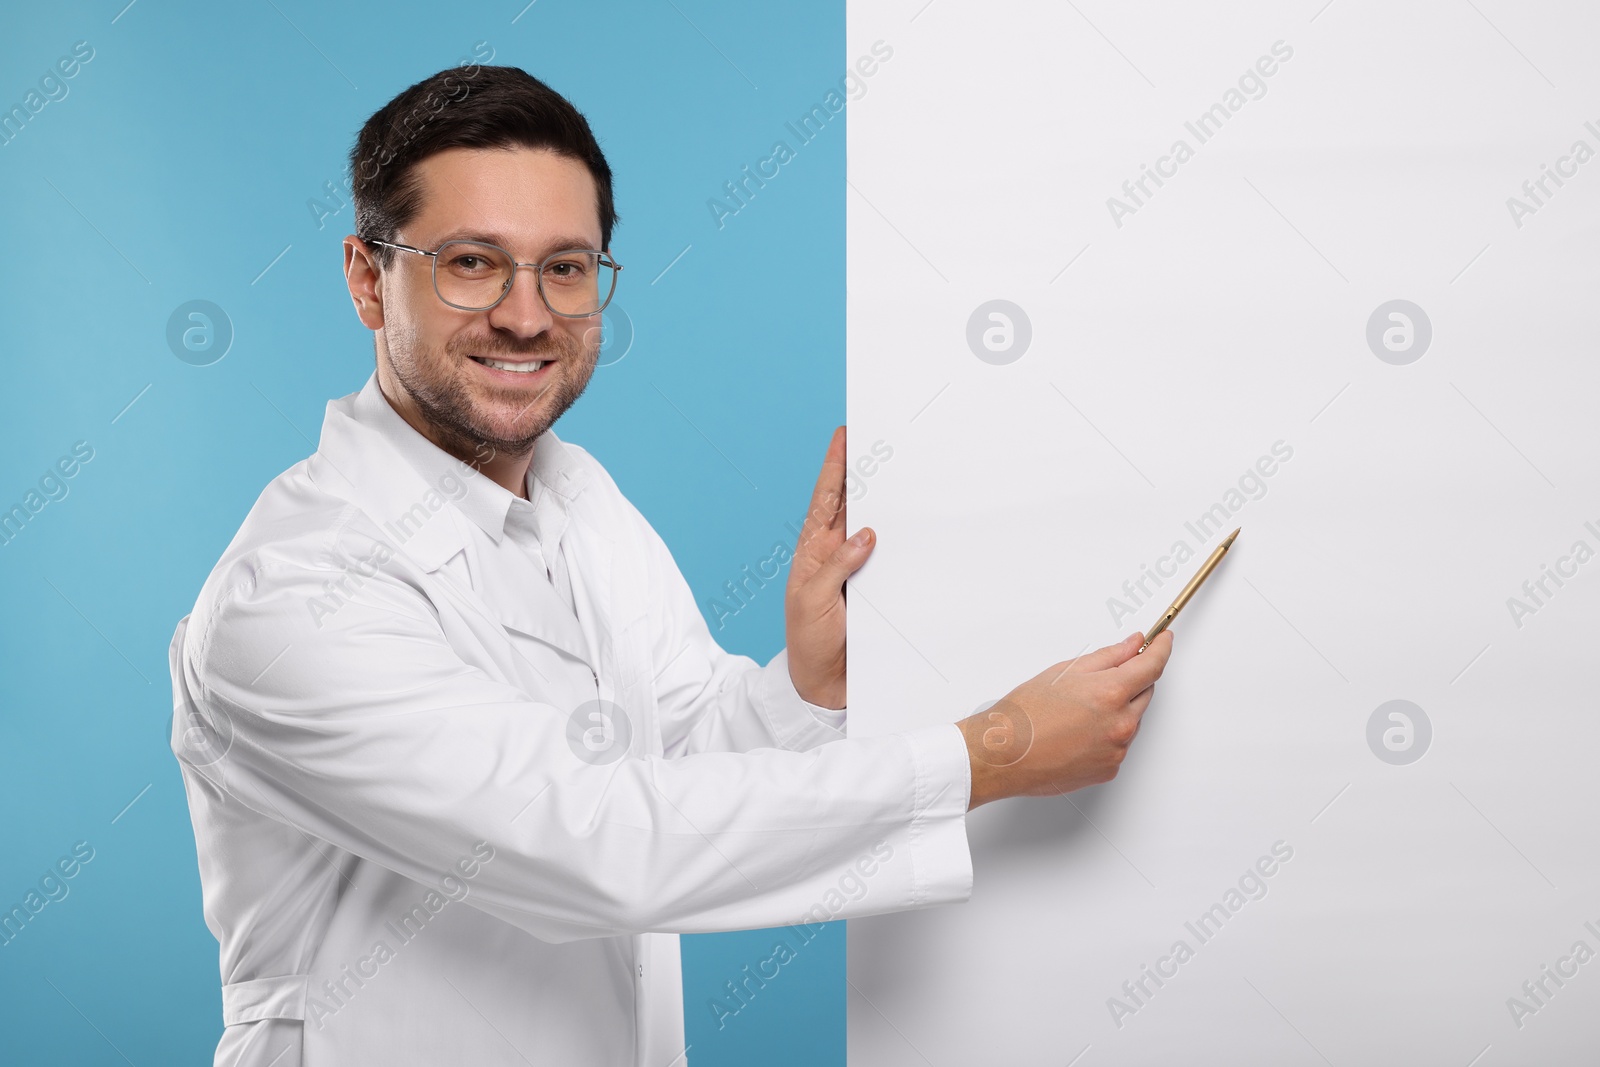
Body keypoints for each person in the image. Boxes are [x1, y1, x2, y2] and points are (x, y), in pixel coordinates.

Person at [167, 64, 1174, 1067]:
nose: (527, 316)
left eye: (565, 266)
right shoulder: (289, 596)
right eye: (471, 262)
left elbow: (679, 759)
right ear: (365, 277)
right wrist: (988, 755)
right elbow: (598, 839)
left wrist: (806, 679)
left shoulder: (579, 499)